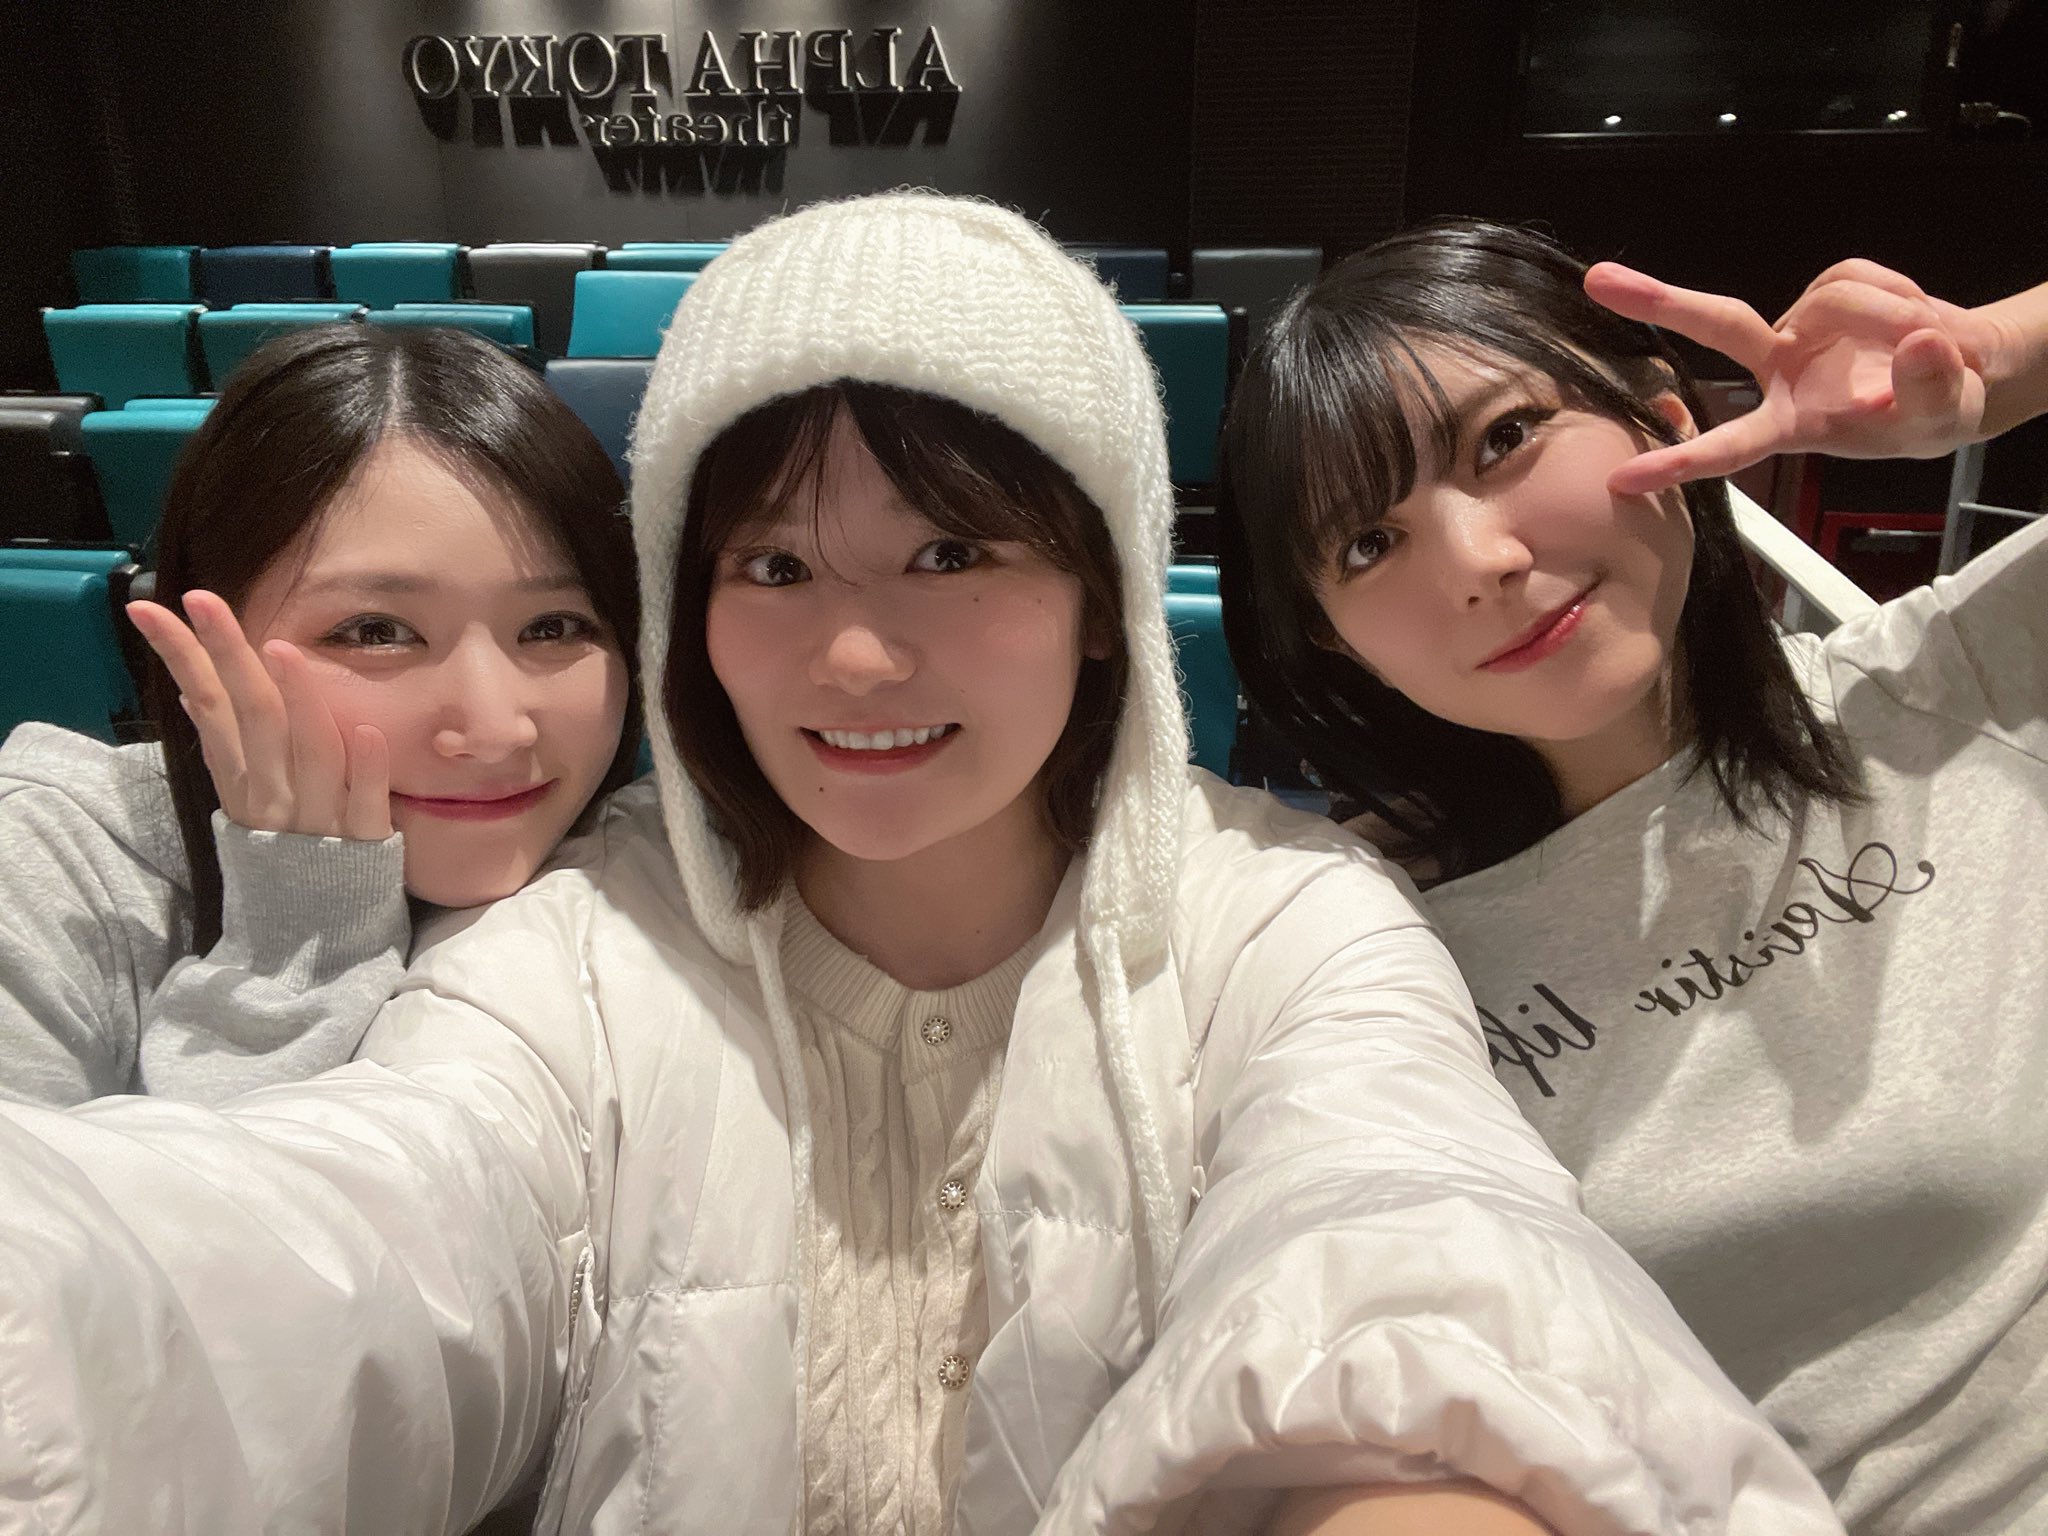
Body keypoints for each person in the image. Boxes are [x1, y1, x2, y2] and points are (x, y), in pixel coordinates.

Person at [0, 195, 1843, 1536]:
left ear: (1106, 598)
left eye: (954, 554)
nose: (858, 657)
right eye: (774, 566)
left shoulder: (1287, 926)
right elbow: (350, 1237)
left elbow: (1401, 1221)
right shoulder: (573, 954)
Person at [1219, 219, 2047, 1534]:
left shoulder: (1959, 689)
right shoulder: (1347, 945)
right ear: (1335, 638)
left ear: (1661, 416)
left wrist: (2002, 356)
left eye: (1504, 439)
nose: (1479, 562)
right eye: (1368, 544)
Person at [0, 324, 640, 1106]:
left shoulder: (662, 871)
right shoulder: (44, 873)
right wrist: (301, 942)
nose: (494, 729)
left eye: (553, 627)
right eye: (376, 632)